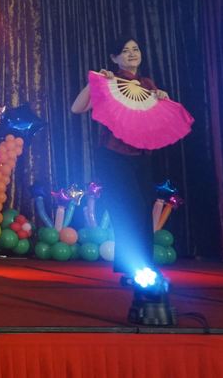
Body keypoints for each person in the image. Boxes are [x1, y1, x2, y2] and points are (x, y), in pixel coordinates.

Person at [71, 36, 169, 276]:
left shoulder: (147, 84)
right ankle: (133, 266)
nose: (132, 54)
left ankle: (143, 265)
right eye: (125, 51)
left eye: (135, 49)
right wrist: (95, 82)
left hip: (140, 155)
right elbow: (77, 108)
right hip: (114, 155)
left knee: (143, 208)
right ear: (114, 58)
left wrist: (162, 99)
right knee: (128, 207)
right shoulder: (111, 82)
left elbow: (155, 119)